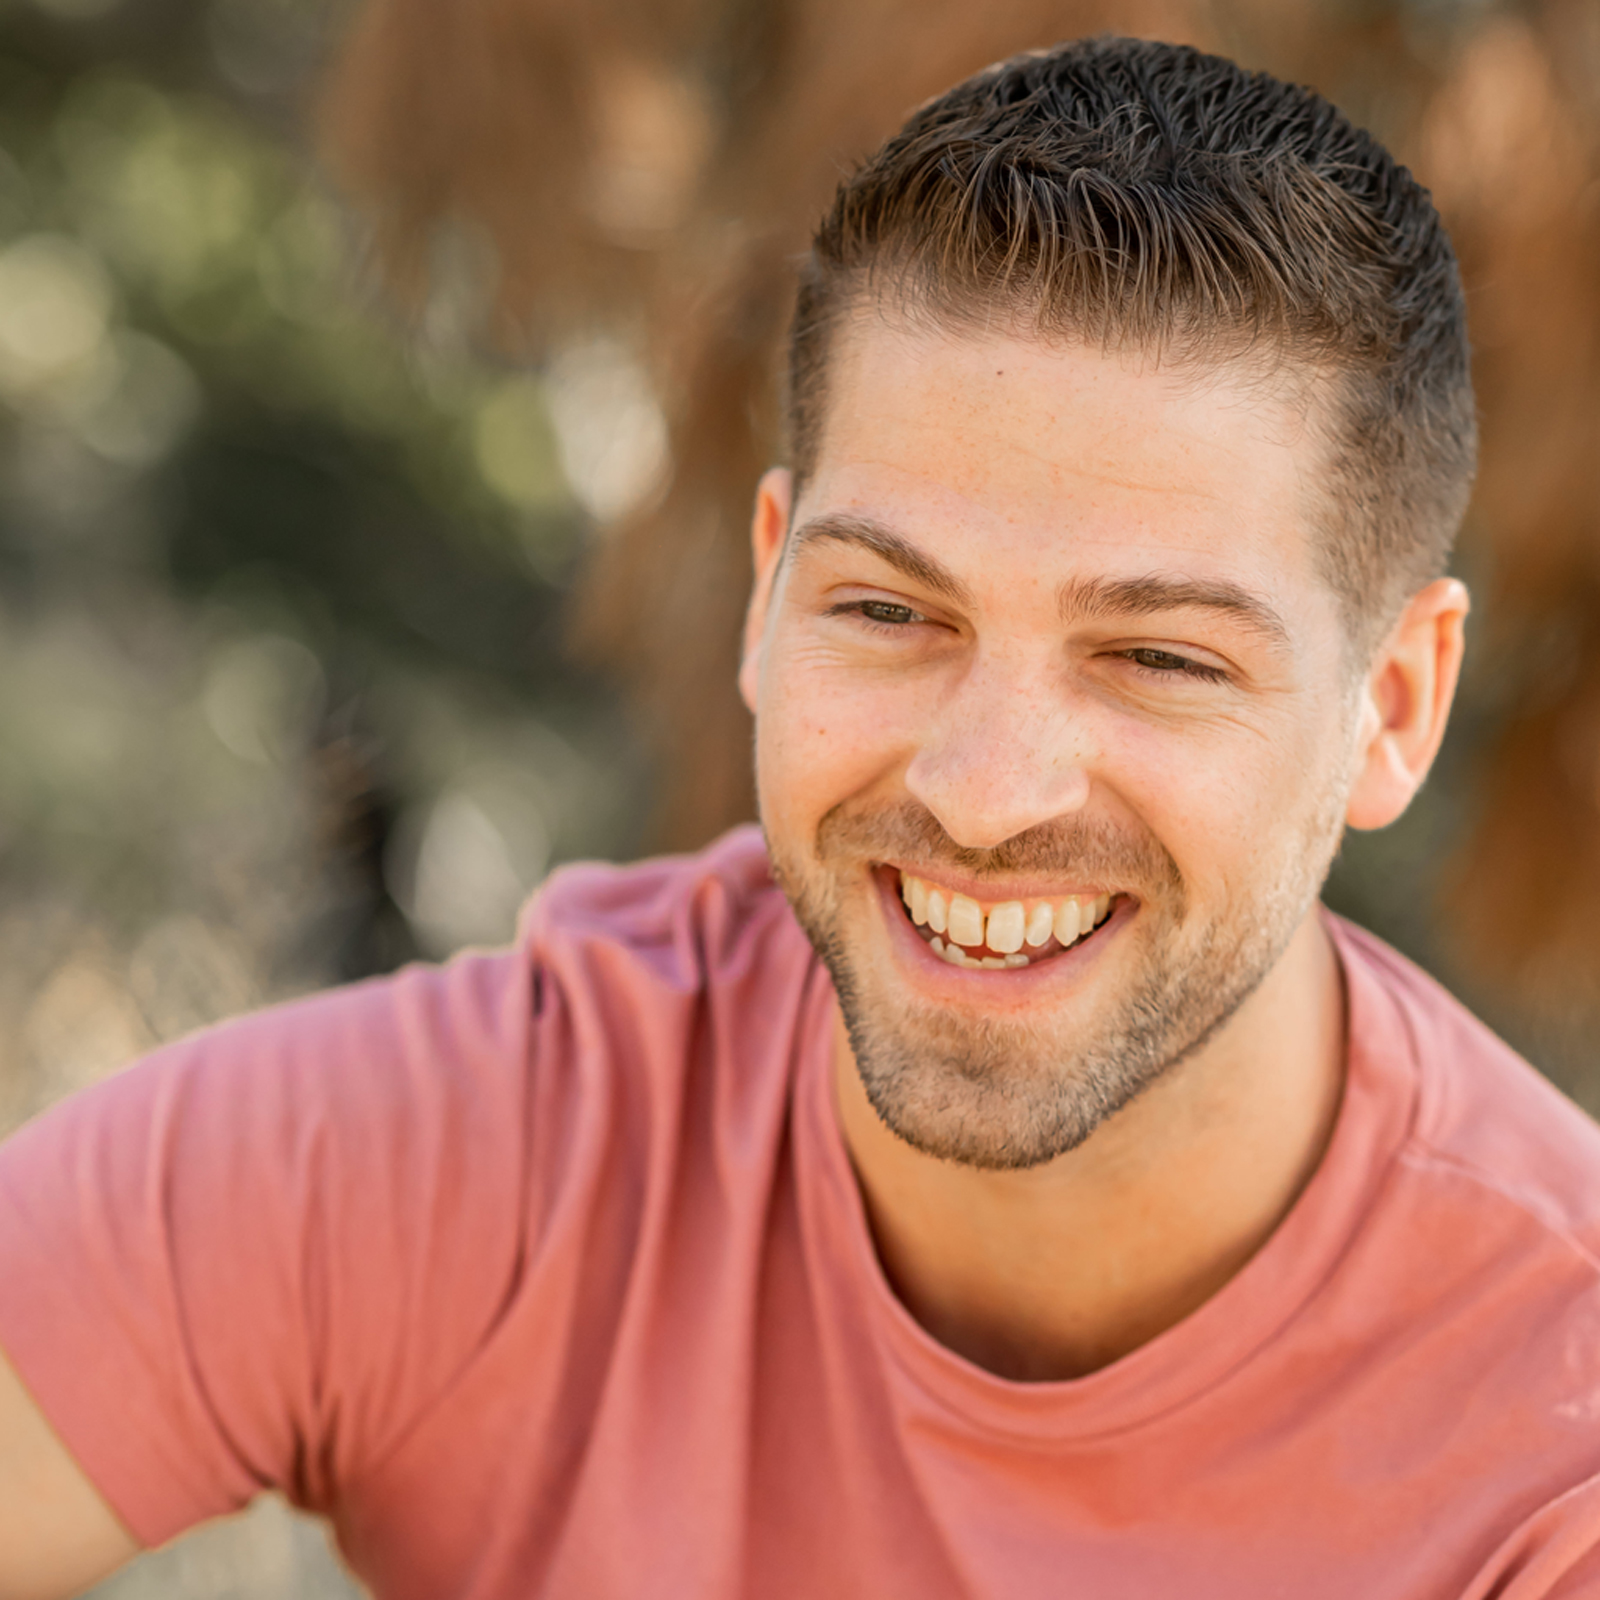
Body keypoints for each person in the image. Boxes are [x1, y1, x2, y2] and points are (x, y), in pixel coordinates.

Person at [1, 33, 1595, 1600]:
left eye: (1160, 656)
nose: (981, 792)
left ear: (1392, 702)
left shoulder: (1554, 1440)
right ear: (769, 594)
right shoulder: (476, 1159)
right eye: (892, 613)